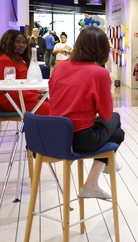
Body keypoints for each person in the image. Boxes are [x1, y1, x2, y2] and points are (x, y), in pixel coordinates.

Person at [49, 27, 125, 199]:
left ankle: (95, 178)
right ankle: (98, 174)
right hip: (80, 139)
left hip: (55, 137)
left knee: (115, 131)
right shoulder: (99, 73)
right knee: (117, 123)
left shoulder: (60, 67)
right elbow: (106, 115)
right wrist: (108, 91)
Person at [0, 30, 50, 115]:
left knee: (58, 106)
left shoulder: (19, 60)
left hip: (24, 98)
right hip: (12, 101)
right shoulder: (4, 61)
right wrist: (37, 96)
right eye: (17, 42)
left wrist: (39, 93)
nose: (22, 45)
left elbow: (24, 85)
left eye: (24, 42)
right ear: (9, 43)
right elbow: (10, 90)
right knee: (53, 111)